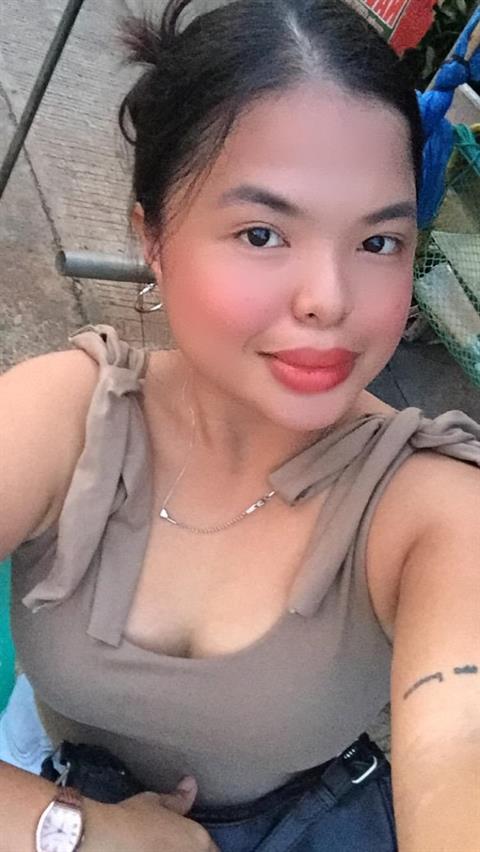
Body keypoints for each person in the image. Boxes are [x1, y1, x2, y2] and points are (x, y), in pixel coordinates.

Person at [0, 1, 479, 850]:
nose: (329, 299)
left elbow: (460, 748)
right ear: (152, 238)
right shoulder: (65, 416)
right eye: (262, 233)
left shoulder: (430, 508)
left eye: (378, 243)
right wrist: (83, 830)